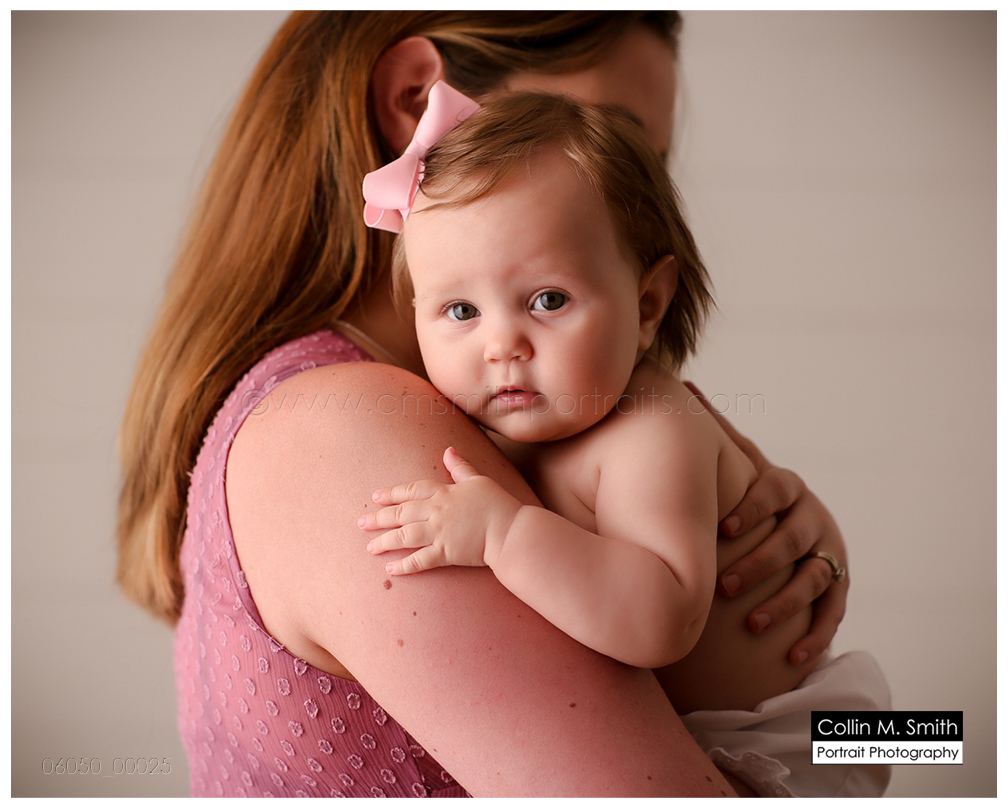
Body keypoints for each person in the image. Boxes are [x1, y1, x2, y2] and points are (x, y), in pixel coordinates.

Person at [116, 11, 853, 797]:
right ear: (415, 100)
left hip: (817, 738)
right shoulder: (345, 429)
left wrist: (805, 550)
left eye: (651, 162)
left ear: (649, 301)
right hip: (803, 750)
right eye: (611, 135)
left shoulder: (576, 413)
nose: (644, 195)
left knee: (932, 737)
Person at [359, 86, 891, 798]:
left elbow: (660, 621)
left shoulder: (651, 428)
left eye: (548, 300)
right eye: (460, 310)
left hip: (793, 740)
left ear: (647, 306)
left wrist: (503, 534)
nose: (502, 345)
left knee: (947, 740)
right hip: (683, 742)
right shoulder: (496, 429)